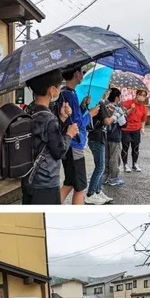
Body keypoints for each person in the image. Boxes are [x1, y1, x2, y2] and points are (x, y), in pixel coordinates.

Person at [21, 69, 78, 205]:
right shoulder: (48, 118)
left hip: (28, 178)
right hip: (45, 183)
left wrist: (62, 119)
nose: (59, 90)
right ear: (52, 90)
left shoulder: (29, 109)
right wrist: (69, 134)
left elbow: (44, 137)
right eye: (59, 86)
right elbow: (59, 151)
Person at [59, 67, 99, 205]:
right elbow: (77, 122)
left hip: (68, 143)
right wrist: (91, 113)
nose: (82, 74)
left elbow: (71, 117)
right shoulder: (69, 94)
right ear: (76, 74)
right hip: (74, 144)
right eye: (81, 72)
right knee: (80, 187)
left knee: (70, 182)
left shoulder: (65, 92)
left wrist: (83, 106)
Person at [85, 96, 114, 205]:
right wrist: (115, 116)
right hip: (97, 139)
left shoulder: (90, 103)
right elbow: (107, 121)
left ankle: (97, 191)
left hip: (94, 138)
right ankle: (90, 194)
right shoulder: (99, 103)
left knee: (100, 167)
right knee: (100, 167)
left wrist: (108, 112)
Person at [121, 89, 148, 172]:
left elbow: (143, 119)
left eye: (144, 95)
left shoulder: (144, 108)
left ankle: (135, 164)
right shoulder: (128, 103)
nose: (142, 97)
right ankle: (125, 165)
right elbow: (123, 115)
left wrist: (142, 128)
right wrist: (131, 109)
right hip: (126, 129)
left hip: (136, 129)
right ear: (136, 94)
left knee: (136, 147)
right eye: (141, 94)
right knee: (125, 147)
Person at [104, 88, 126, 186]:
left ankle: (104, 177)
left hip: (104, 136)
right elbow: (123, 123)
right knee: (114, 157)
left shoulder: (104, 105)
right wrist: (123, 113)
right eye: (119, 96)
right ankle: (113, 178)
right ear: (116, 97)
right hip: (114, 136)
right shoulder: (117, 107)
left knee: (106, 157)